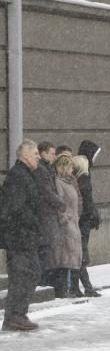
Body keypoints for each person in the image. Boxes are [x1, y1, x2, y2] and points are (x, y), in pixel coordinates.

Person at [0, 140, 43, 332]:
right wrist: (32, 222)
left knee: (30, 273)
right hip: (19, 236)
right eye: (35, 153)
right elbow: (15, 207)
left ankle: (17, 315)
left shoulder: (26, 174)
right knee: (23, 275)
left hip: (24, 235)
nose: (38, 156)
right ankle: (14, 316)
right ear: (24, 155)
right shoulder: (18, 176)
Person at [33, 141, 65, 287]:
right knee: (45, 250)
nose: (54, 156)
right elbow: (46, 191)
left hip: (47, 215)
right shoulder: (41, 169)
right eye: (52, 153)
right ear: (43, 153)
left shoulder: (47, 168)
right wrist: (60, 203)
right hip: (45, 215)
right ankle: (43, 282)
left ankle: (45, 281)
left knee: (47, 250)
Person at [51, 154, 83, 298]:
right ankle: (63, 289)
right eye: (70, 167)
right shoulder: (59, 182)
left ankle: (72, 288)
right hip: (66, 224)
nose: (72, 170)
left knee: (74, 255)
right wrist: (65, 218)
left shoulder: (70, 182)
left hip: (74, 222)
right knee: (66, 256)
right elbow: (59, 202)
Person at [75, 140, 102, 297]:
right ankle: (86, 286)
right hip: (82, 221)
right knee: (81, 254)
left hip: (83, 220)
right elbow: (86, 198)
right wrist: (91, 214)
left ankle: (86, 286)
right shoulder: (83, 175)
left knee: (80, 254)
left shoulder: (83, 173)